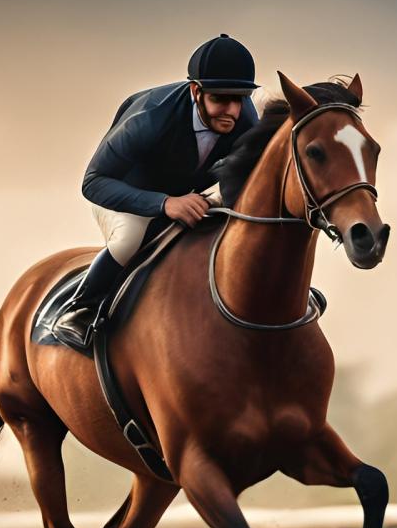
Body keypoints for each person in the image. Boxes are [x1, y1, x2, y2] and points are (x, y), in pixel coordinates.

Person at [52, 34, 260, 348]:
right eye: (220, 98)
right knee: (130, 238)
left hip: (184, 194)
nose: (231, 110)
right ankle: (79, 308)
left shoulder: (244, 117)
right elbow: (93, 182)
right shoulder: (149, 119)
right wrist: (164, 204)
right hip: (122, 193)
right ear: (196, 91)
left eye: (239, 98)